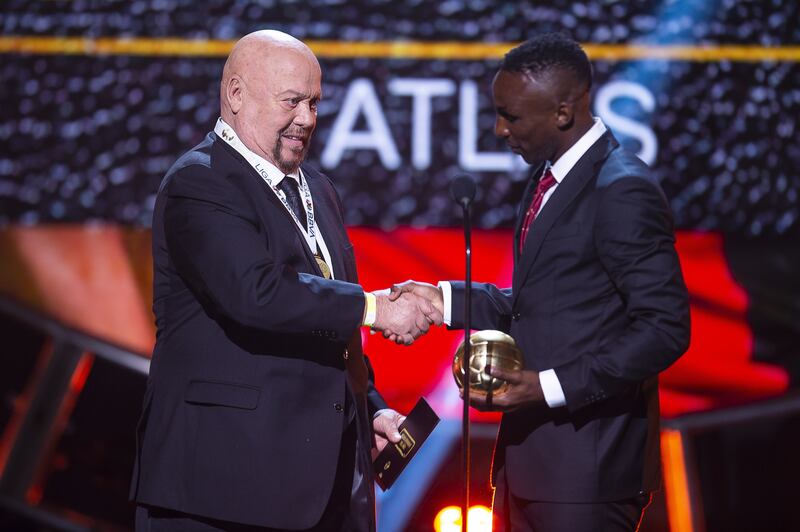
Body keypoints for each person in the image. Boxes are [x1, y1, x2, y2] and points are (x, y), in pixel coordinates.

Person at [130, 30, 440, 532]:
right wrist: (376, 308)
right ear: (235, 94)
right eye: (292, 101)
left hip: (320, 487)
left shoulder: (318, 189)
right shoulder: (200, 181)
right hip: (221, 490)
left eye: (315, 103)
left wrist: (371, 410)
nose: (307, 119)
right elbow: (258, 293)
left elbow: (326, 328)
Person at [391, 33, 691, 531]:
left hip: (586, 479)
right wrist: (440, 300)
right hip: (528, 467)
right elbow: (536, 304)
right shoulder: (547, 177)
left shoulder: (621, 190)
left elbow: (665, 329)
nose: (499, 129)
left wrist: (547, 387)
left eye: (511, 116)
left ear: (562, 112)